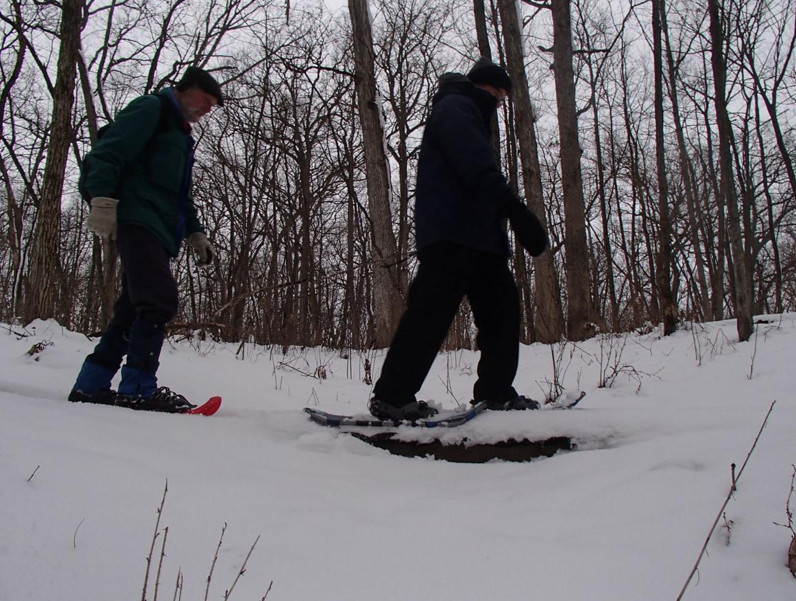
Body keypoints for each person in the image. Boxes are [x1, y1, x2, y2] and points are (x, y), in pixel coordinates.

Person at [368, 58, 548, 421]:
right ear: (481, 86)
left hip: (482, 239)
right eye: (497, 94)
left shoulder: (472, 114)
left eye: (503, 99)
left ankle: (496, 392)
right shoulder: (455, 107)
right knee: (430, 314)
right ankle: (392, 397)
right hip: (451, 234)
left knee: (502, 313)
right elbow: (475, 168)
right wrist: (517, 212)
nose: (499, 103)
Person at [69, 66, 223, 413]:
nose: (206, 109)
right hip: (138, 219)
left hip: (160, 228)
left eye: (212, 106)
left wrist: (195, 232)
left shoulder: (179, 135)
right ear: (186, 89)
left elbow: (180, 194)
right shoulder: (151, 109)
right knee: (158, 301)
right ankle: (138, 389)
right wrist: (102, 198)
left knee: (131, 309)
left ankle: (90, 385)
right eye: (205, 100)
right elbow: (108, 152)